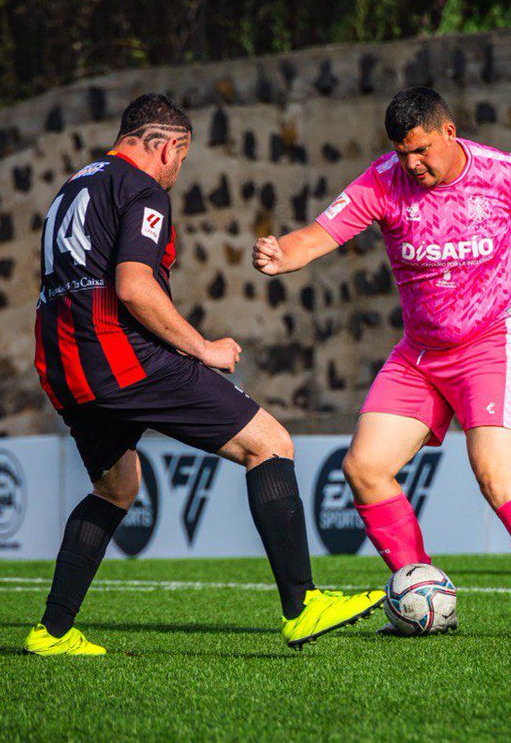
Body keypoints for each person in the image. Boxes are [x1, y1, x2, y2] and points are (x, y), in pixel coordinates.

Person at [25, 94, 382, 656]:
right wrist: (203, 349)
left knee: (116, 487)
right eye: (181, 159)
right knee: (270, 443)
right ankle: (303, 605)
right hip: (119, 355)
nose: (177, 172)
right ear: (166, 146)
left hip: (63, 362)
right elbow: (134, 286)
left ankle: (52, 632)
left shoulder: (74, 186)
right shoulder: (142, 189)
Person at [252, 87, 511, 640]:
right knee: (364, 469)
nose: (411, 164)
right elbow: (321, 234)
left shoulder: (504, 173)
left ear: (449, 132)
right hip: (420, 352)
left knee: (496, 474)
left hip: (495, 338)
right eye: (402, 152)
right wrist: (283, 254)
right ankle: (426, 601)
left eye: (420, 151)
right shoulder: (383, 179)